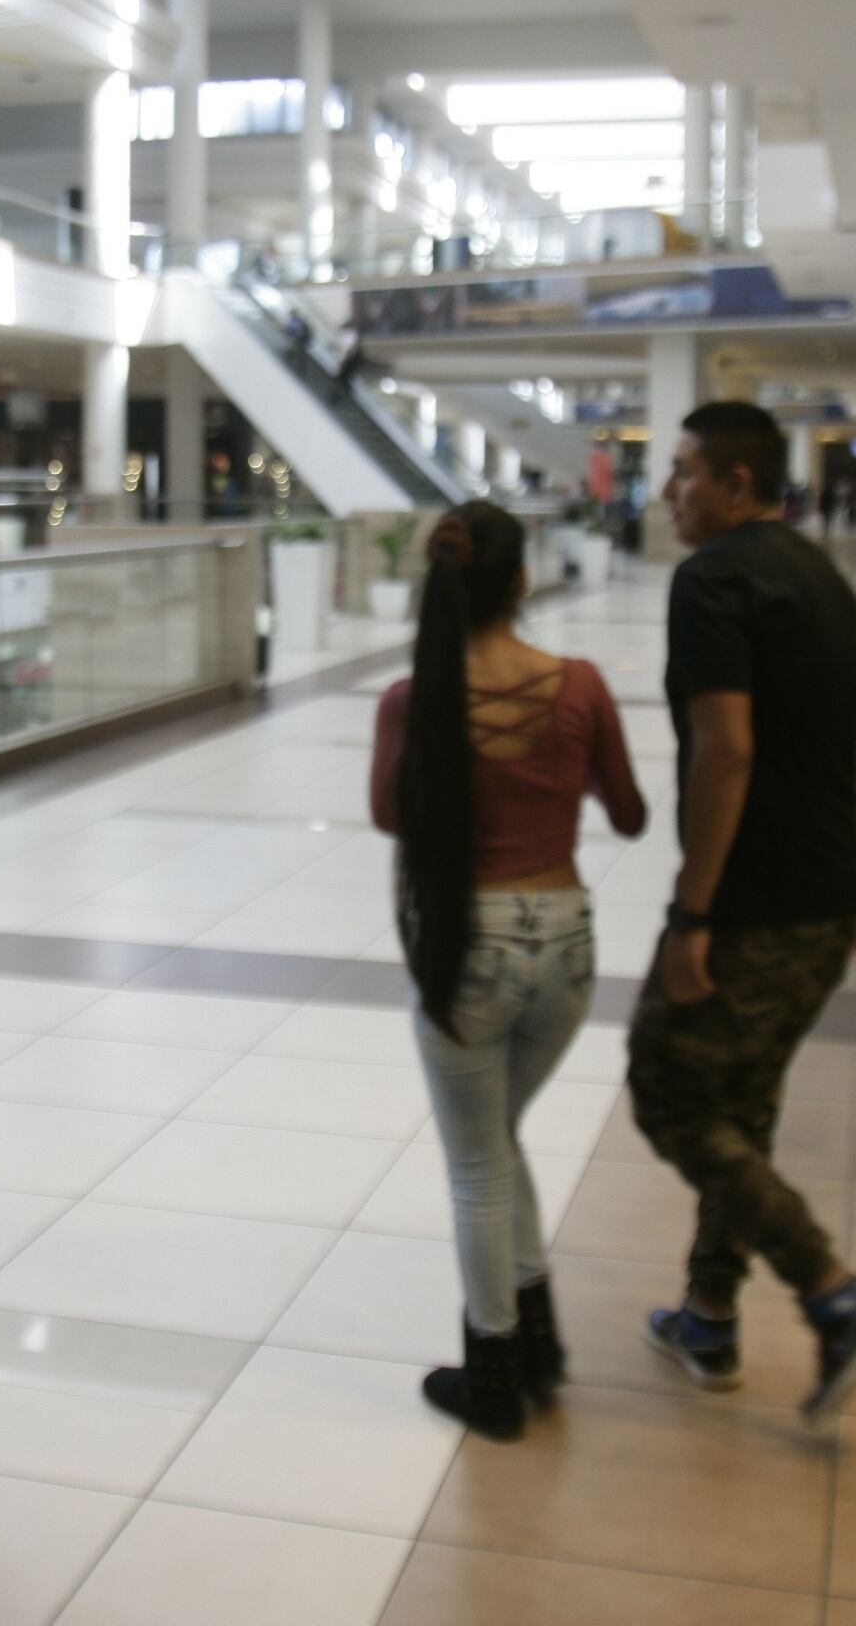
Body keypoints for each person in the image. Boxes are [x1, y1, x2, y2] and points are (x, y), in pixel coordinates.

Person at [630, 399, 856, 1425]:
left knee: (669, 1093)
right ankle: (708, 1313)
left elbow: (729, 748)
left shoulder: (714, 581)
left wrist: (693, 911)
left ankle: (834, 1292)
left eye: (685, 470)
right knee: (740, 1107)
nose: (670, 490)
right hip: (824, 900)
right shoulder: (823, 575)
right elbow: (855, 741)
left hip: (749, 907)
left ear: (736, 483)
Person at [370, 501, 648, 1439]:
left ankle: (494, 1379)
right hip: (567, 949)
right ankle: (539, 1344)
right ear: (522, 580)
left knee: (478, 1165)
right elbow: (631, 814)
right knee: (496, 1142)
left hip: (468, 948)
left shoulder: (414, 699)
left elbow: (387, 815)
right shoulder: (579, 686)